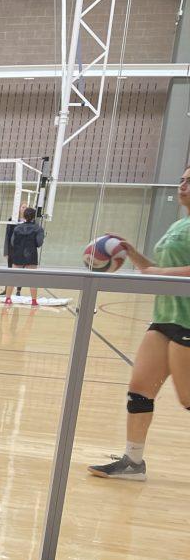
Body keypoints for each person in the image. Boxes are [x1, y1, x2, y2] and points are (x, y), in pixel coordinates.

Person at [88, 164, 190, 482]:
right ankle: (133, 462)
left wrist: (154, 274)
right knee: (139, 390)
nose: (183, 184)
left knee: (188, 399)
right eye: (182, 178)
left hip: (188, 321)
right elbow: (162, 268)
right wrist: (134, 256)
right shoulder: (180, 225)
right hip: (165, 317)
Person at [3, 206, 44, 306]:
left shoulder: (17, 228)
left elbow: (12, 242)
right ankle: (34, 301)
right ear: (34, 217)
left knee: (13, 277)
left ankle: (8, 299)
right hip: (31, 255)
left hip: (18, 255)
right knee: (33, 279)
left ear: (24, 216)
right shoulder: (38, 228)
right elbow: (39, 243)